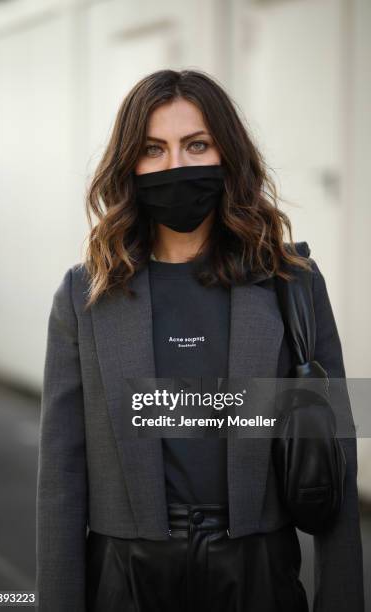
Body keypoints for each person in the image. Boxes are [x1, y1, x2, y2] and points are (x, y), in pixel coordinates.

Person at [36, 69, 364, 612]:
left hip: (260, 575)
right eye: (153, 149)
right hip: (125, 578)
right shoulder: (83, 294)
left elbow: (338, 453)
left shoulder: (292, 282)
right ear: (129, 164)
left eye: (196, 145)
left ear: (226, 155)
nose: (176, 166)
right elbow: (62, 478)